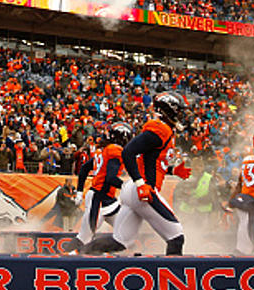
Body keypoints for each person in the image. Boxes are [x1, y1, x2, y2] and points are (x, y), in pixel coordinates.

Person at [87, 92, 192, 255]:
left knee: (119, 242)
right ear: (168, 110)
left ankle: (79, 254)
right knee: (176, 237)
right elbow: (128, 152)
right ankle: (169, 279)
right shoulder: (161, 129)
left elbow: (152, 160)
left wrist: (172, 170)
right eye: (178, 110)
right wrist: (140, 183)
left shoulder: (166, 131)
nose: (180, 114)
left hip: (135, 190)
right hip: (143, 191)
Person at [69, 121, 131, 253]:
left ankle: (103, 255)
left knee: (126, 234)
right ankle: (59, 258)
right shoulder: (115, 150)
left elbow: (85, 168)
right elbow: (110, 178)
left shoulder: (104, 150)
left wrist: (80, 191)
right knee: (84, 238)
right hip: (99, 198)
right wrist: (128, 186)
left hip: (108, 199)